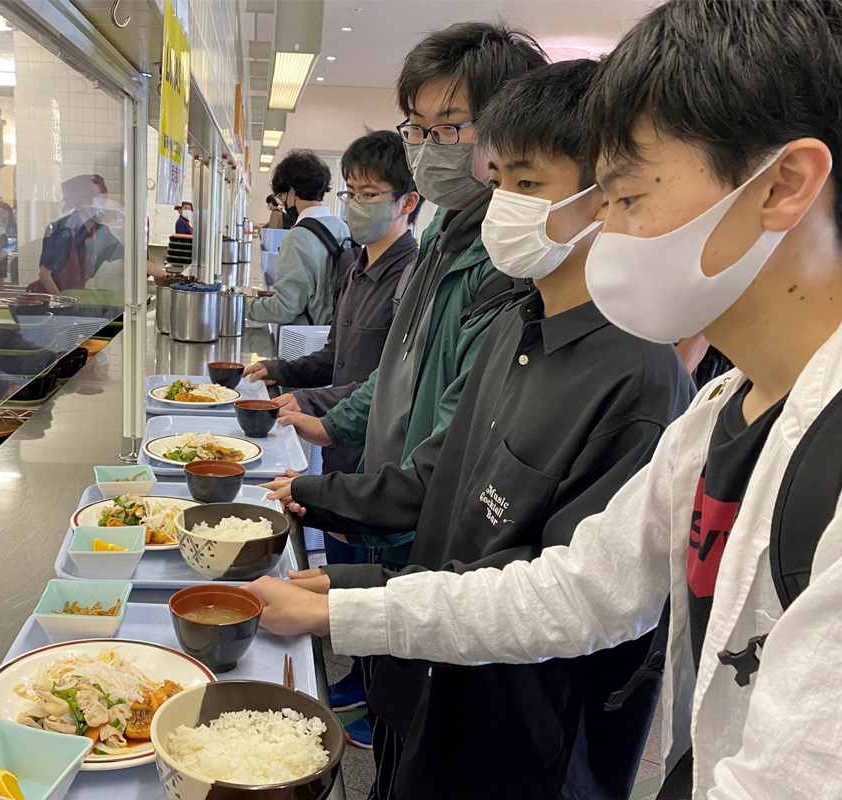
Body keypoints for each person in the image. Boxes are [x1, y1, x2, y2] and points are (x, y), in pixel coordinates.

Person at [249, 2, 842, 798]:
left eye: (625, 193)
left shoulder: (719, 411)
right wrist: (351, 606)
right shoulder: (719, 416)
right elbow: (581, 588)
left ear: (784, 185)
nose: (607, 227)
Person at [261, 58, 694, 800]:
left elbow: (562, 594)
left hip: (519, 742)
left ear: (610, 198)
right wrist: (326, 528)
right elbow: (441, 482)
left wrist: (350, 605)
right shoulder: (515, 328)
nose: (503, 207)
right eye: (499, 184)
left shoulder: (639, 381)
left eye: (528, 185)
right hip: (428, 679)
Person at [265, 23, 547, 746]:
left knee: (421, 707)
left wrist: (344, 498)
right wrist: (335, 427)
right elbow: (396, 366)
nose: (427, 147)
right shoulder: (446, 239)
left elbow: (459, 441)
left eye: (449, 127)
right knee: (389, 695)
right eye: (418, 128)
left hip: (431, 527)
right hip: (394, 502)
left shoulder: (507, 264)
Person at [242, 131, 420, 566]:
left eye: (369, 194)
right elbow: (334, 357)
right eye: (350, 192)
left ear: (407, 202)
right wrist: (279, 370)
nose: (355, 204)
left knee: (359, 573)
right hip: (337, 451)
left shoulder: (413, 280)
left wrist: (308, 401)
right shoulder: (356, 269)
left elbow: (394, 384)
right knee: (334, 560)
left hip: (377, 464)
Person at [246, 150, 349, 326]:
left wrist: (243, 306)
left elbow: (284, 309)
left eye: (282, 196)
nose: (283, 203)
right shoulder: (341, 227)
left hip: (305, 335)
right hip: (335, 329)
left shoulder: (297, 237)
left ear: (292, 191)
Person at [33, 174, 124, 294]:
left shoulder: (102, 232)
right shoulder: (60, 230)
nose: (104, 208)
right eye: (101, 203)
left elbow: (127, 256)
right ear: (85, 203)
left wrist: (152, 271)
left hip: (74, 295)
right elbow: (45, 275)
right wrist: (61, 301)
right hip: (50, 297)